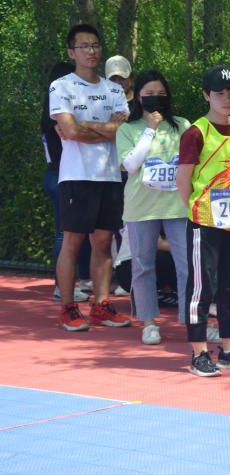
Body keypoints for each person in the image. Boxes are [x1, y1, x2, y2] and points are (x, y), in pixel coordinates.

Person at [176, 64, 230, 377]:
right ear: (206, 95)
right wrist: (195, 209)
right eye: (220, 93)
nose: (227, 99)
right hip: (205, 222)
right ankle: (199, 353)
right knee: (202, 287)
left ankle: (229, 349)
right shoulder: (196, 133)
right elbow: (183, 178)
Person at [49, 23, 132, 332]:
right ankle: (68, 307)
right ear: (72, 52)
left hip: (110, 177)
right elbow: (70, 131)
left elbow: (119, 131)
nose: (91, 51)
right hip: (76, 176)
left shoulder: (114, 90)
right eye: (84, 46)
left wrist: (85, 126)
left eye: (95, 45)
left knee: (104, 242)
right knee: (72, 242)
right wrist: (103, 128)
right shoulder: (61, 86)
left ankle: (101, 305)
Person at [116, 70, 191, 345]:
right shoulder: (127, 129)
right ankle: (148, 323)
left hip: (177, 207)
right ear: (138, 97)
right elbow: (130, 165)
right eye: (149, 94)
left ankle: (192, 321)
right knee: (142, 266)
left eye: (160, 93)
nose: (155, 98)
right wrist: (149, 129)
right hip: (141, 207)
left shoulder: (182, 125)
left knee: (188, 266)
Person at [41, 61, 92, 303]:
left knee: (73, 231)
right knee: (66, 233)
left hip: (58, 174)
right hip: (62, 176)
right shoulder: (57, 115)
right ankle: (62, 287)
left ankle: (80, 280)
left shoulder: (49, 111)